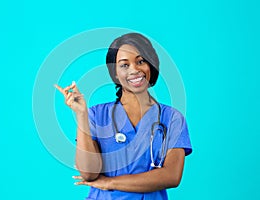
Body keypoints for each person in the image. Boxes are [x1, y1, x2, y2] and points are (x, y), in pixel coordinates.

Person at [54, 33, 192, 200]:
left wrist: (110, 183)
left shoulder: (172, 119)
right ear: (115, 73)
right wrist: (81, 114)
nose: (134, 70)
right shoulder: (96, 115)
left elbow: (171, 176)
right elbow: (89, 173)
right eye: (124, 65)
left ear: (151, 65)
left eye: (140, 61)